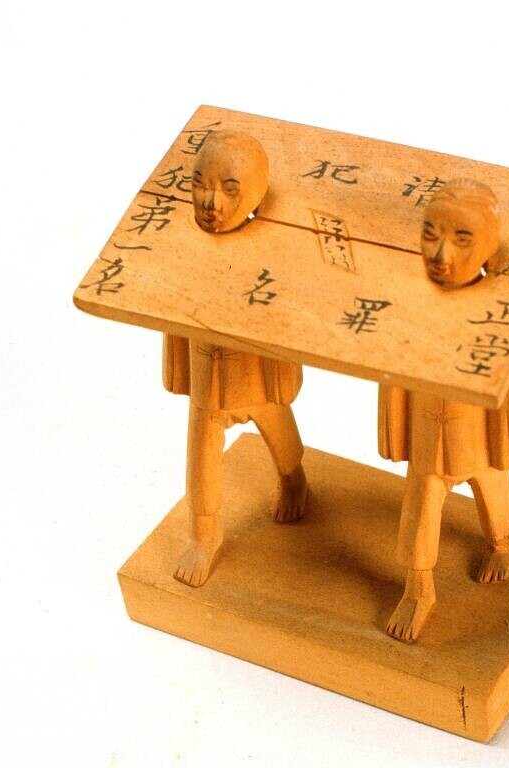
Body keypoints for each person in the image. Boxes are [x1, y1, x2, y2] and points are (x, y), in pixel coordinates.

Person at [378, 179, 509, 641]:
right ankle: (419, 590)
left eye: (461, 239)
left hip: (479, 438)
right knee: (419, 515)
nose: (441, 253)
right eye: (430, 235)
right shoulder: (412, 305)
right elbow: (394, 371)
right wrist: (394, 431)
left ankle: (502, 543)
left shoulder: (504, 313)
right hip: (428, 436)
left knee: (494, 498)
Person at [166, 131, 308, 588]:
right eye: (199, 185)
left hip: (254, 371)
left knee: (279, 433)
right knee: (201, 457)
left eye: (230, 190)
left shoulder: (274, 247)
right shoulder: (183, 248)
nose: (211, 202)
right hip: (206, 374)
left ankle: (294, 479)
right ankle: (204, 536)